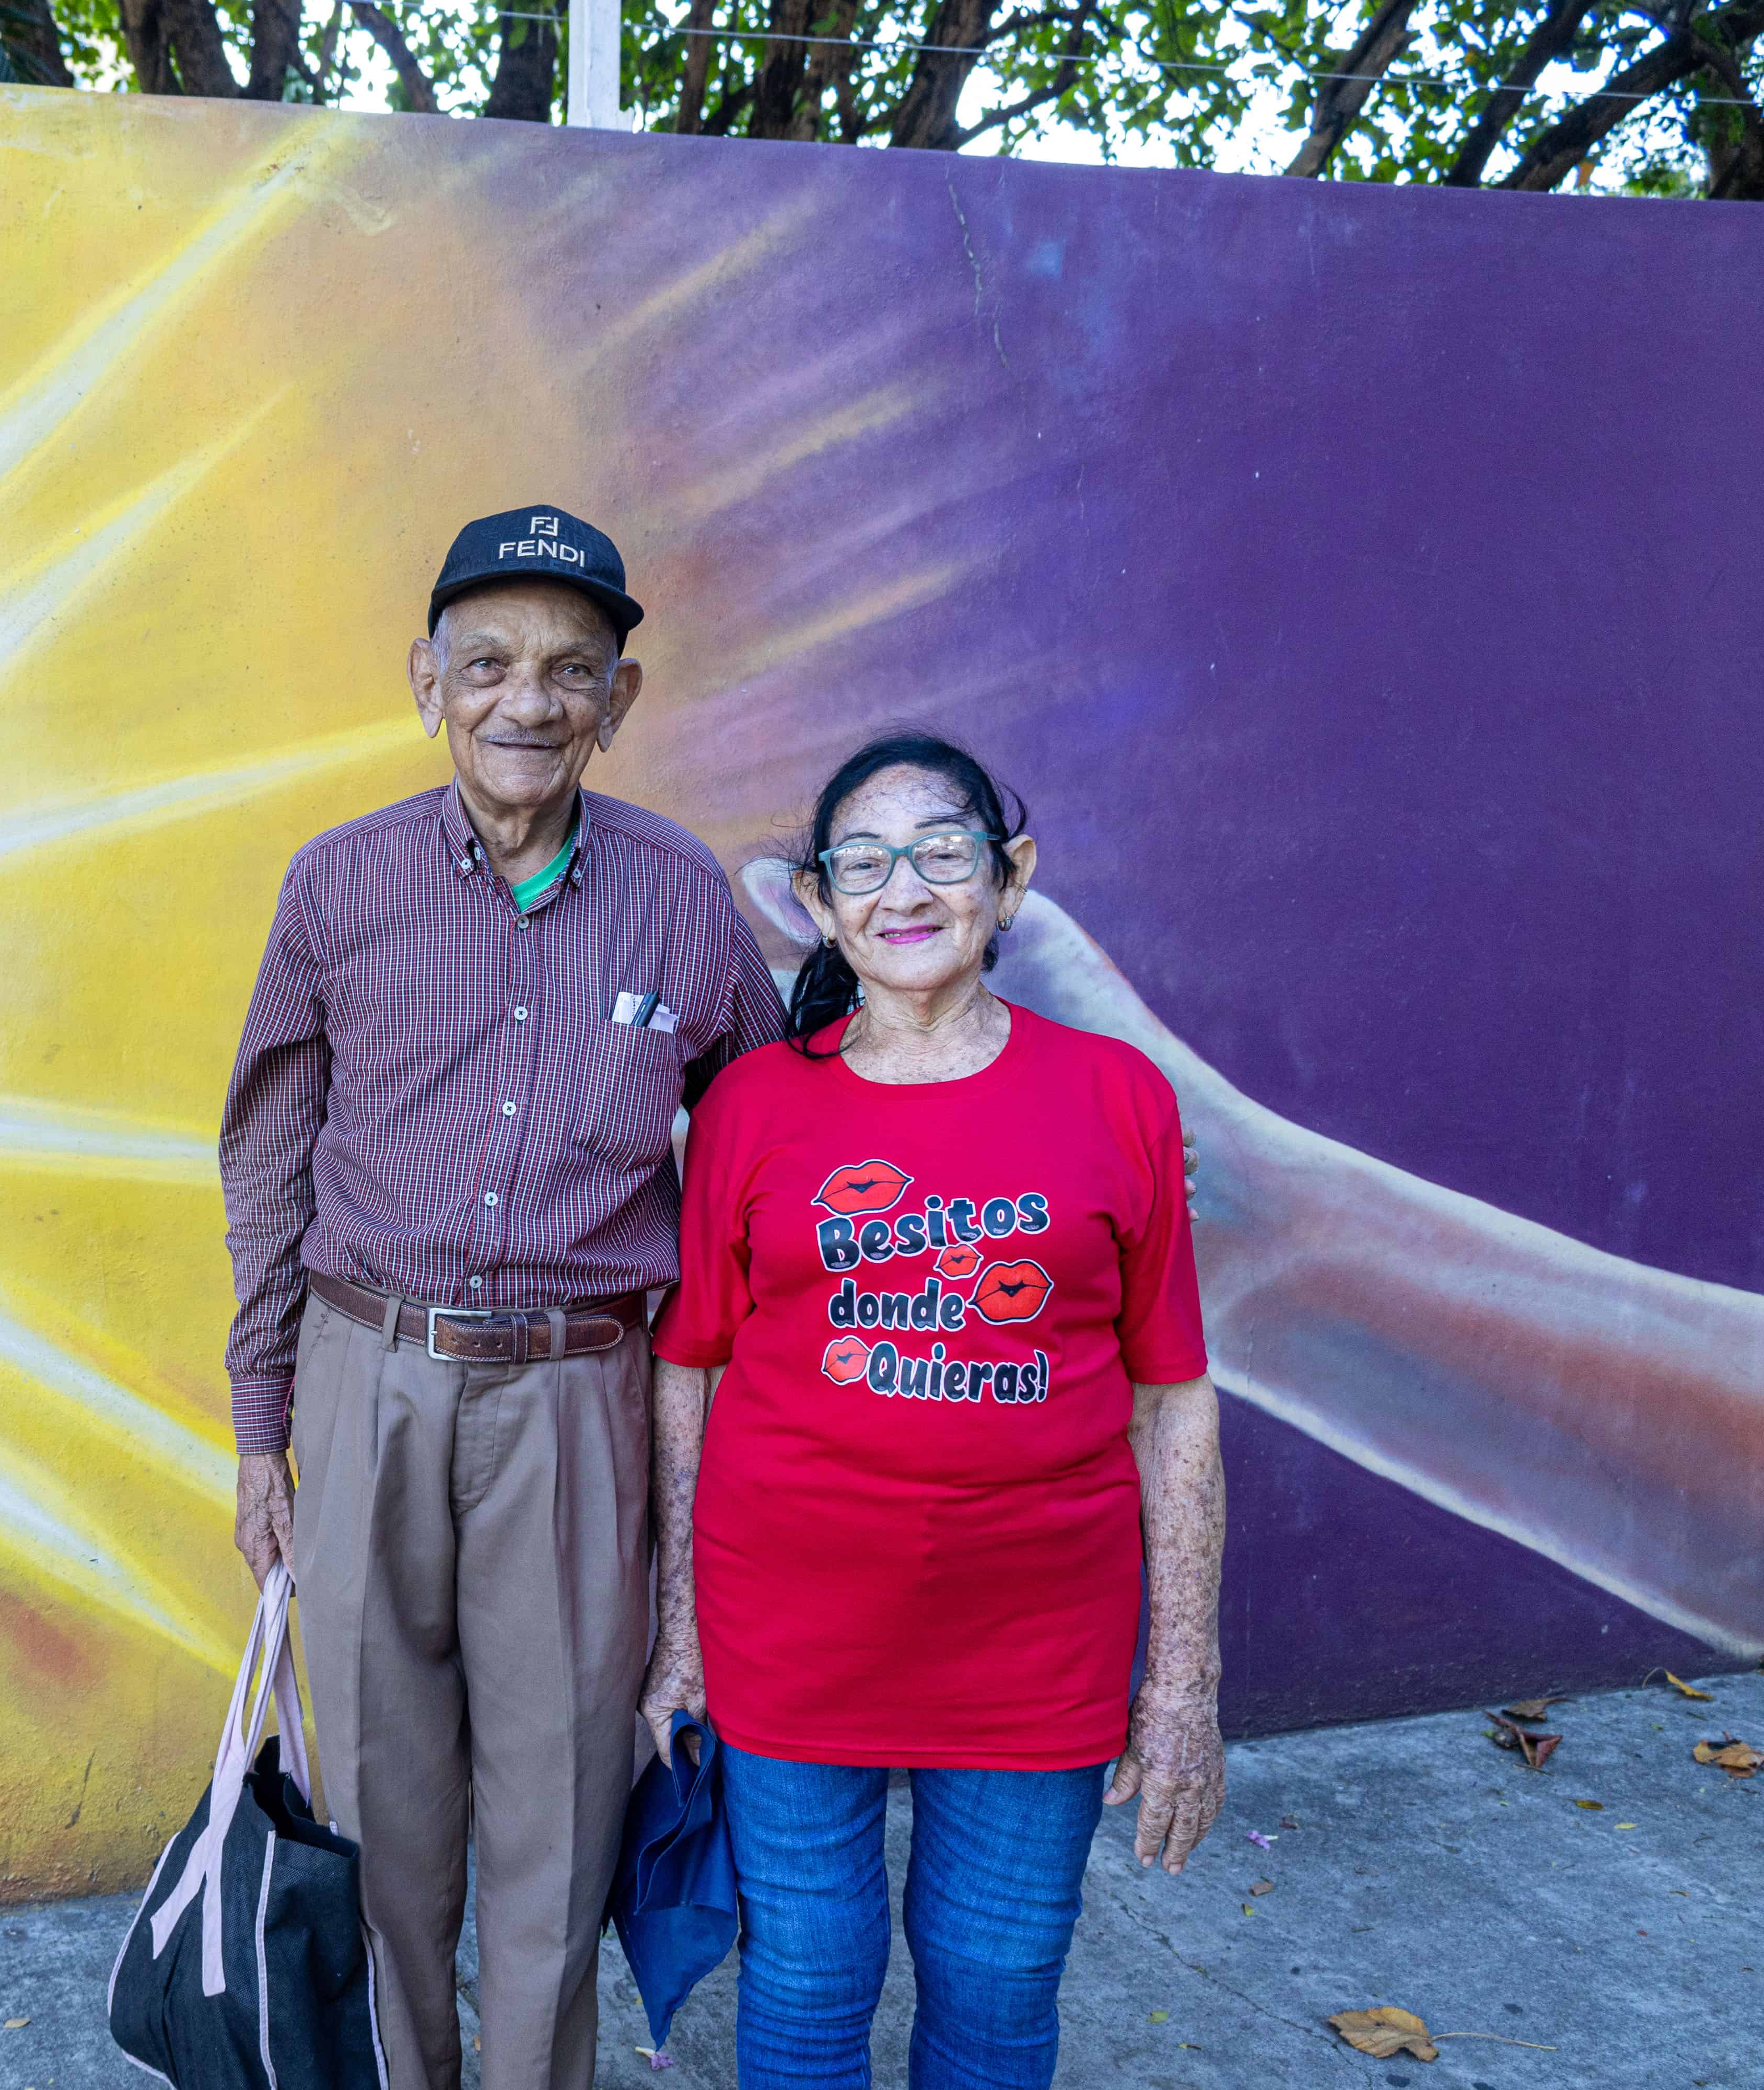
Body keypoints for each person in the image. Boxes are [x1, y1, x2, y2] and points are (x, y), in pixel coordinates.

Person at [217, 505, 786, 2089]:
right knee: (380, 1804)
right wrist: (262, 1426)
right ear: (426, 680)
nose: (524, 702)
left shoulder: (681, 901)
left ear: (623, 699)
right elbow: (267, 1167)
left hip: (577, 1394)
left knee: (559, 1803)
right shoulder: (339, 888)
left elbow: (762, 1168)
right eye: (487, 665)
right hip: (367, 1370)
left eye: (568, 670)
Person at [642, 732, 1226, 2090]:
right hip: (787, 1628)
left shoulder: (1117, 1096)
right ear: (818, 905)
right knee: (806, 1974)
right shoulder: (753, 1105)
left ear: (1008, 880)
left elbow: (1173, 1402)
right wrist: (680, 1637)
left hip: (1037, 1640)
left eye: (943, 853)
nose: (904, 890)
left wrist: (1182, 1682)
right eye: (865, 863)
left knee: (1001, 1976)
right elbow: (692, 1369)